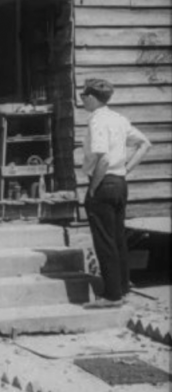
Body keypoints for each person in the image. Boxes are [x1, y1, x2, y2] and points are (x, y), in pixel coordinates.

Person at [80, 78, 151, 308]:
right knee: (118, 237)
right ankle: (122, 288)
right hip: (119, 182)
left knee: (104, 240)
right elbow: (145, 144)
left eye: (83, 95)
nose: (81, 99)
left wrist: (92, 189)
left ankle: (112, 296)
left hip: (103, 182)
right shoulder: (119, 119)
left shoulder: (98, 121)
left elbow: (104, 157)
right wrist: (126, 170)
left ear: (92, 97)